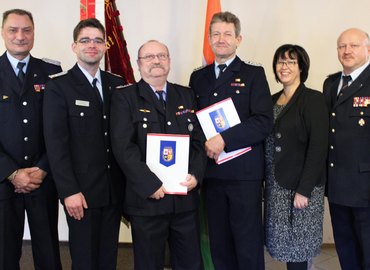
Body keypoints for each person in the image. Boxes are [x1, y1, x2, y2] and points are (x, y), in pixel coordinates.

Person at [110, 40, 206, 270]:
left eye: (162, 56)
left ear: (169, 62)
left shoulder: (186, 95)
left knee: (191, 263)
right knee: (149, 264)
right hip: (148, 201)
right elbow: (123, 147)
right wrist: (150, 184)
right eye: (149, 57)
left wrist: (196, 174)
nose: (156, 61)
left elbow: (199, 141)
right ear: (139, 64)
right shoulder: (125, 97)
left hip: (184, 200)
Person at [189, 11, 273, 270]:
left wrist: (224, 139)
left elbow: (263, 121)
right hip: (212, 174)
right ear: (209, 39)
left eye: (227, 34)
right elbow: (194, 122)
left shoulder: (253, 74)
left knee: (247, 244)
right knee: (219, 244)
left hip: (243, 175)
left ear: (238, 39)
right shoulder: (198, 78)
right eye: (216, 34)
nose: (221, 39)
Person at [43, 18, 125, 270]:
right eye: (85, 40)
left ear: (105, 46)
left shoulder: (117, 84)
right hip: (81, 193)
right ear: (74, 46)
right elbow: (56, 144)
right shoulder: (59, 86)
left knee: (108, 258)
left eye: (98, 40)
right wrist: (68, 191)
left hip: (113, 191)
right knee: (84, 260)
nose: (92, 45)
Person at [0, 9, 62, 270]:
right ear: (3, 33)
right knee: (4, 253)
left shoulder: (52, 72)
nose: (20, 36)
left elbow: (61, 128)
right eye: (13, 30)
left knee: (48, 252)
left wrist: (43, 167)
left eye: (26, 30)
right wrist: (12, 173)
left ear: (34, 33)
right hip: (3, 179)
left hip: (42, 177)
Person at [264, 44, 328, 270]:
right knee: (284, 245)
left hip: (301, 186)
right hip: (276, 185)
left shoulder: (313, 99)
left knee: (299, 247)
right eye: (281, 62)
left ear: (301, 67)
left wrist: (304, 189)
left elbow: (319, 147)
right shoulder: (270, 100)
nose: (285, 66)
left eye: (291, 62)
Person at [323, 28, 370, 270]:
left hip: (365, 185)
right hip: (338, 184)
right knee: (345, 248)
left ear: (368, 49)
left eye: (353, 45)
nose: (347, 51)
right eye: (342, 46)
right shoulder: (331, 83)